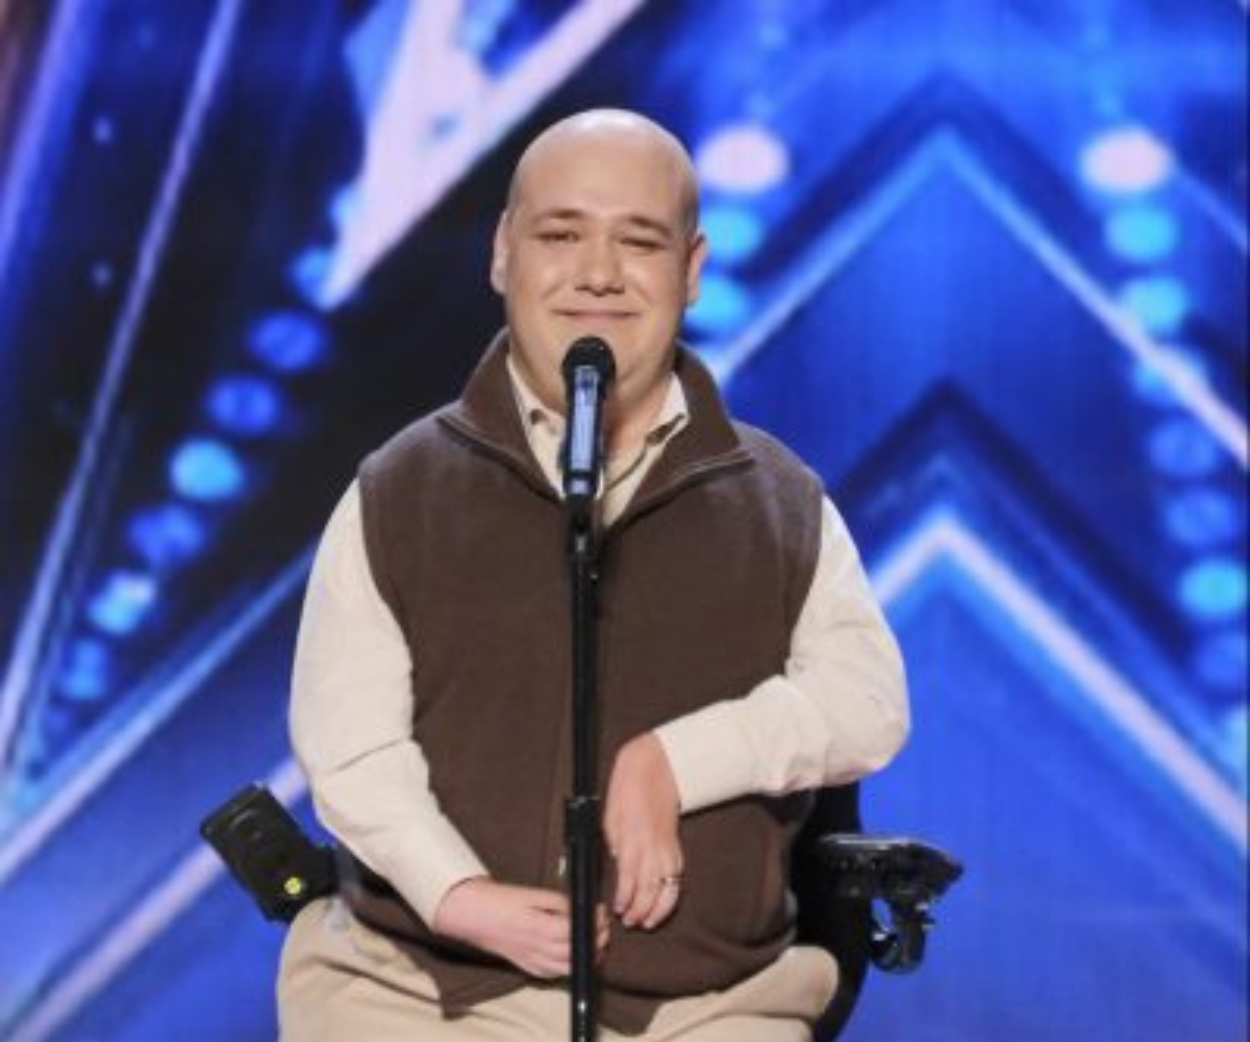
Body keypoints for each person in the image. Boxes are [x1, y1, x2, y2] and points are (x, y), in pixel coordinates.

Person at [277, 108, 909, 1041]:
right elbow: (350, 746)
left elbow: (867, 703)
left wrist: (674, 762)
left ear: (691, 269)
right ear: (504, 254)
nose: (598, 273)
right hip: (422, 993)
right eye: (561, 235)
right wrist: (460, 897)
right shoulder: (400, 490)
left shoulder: (779, 502)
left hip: (712, 1007)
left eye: (639, 242)